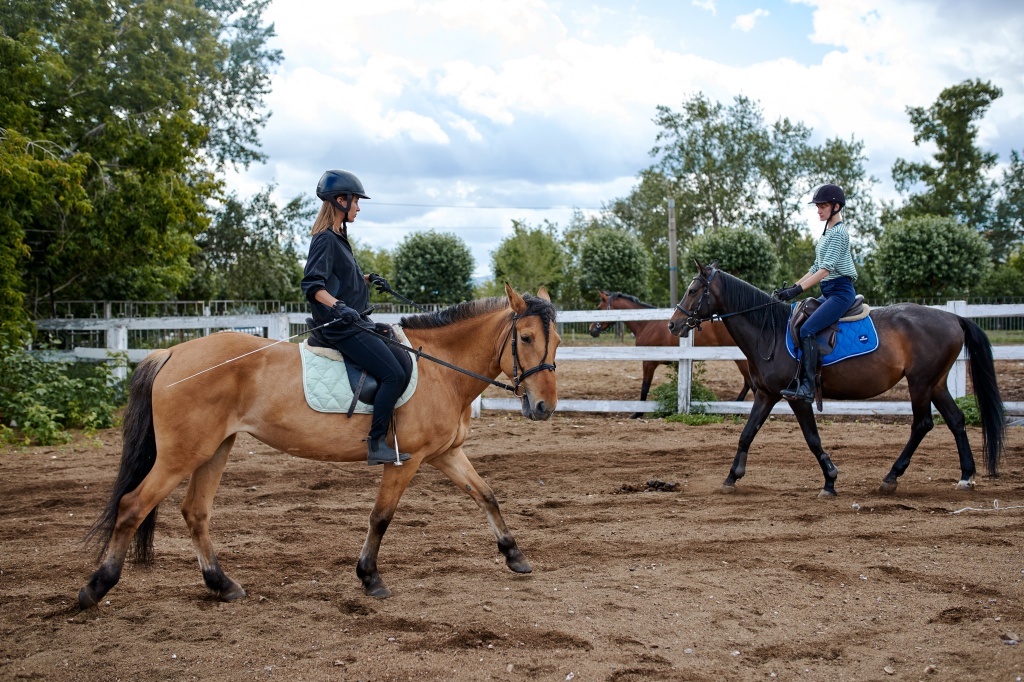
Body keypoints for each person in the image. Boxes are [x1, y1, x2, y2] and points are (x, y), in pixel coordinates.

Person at [301, 169, 410, 465]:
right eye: (356, 202)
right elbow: (313, 285)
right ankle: (376, 444)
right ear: (340, 200)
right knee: (393, 374)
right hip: (340, 327)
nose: (359, 207)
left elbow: (342, 280)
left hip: (354, 321)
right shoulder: (324, 239)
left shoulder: (339, 239)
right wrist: (337, 307)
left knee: (401, 359)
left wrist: (367, 278)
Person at [773, 183, 858, 402]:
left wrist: (798, 291)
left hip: (840, 292)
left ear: (836, 207)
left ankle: (808, 387)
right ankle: (799, 378)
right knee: (798, 321)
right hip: (828, 291)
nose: (819, 210)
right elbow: (814, 267)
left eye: (823, 206)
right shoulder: (826, 233)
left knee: (808, 329)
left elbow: (825, 270)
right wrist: (792, 287)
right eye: (817, 206)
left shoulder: (839, 234)